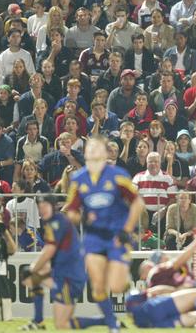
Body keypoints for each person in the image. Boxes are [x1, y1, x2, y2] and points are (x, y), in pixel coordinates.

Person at [64, 136, 146, 332]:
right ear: (84, 154)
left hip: (117, 235)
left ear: (105, 152)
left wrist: (127, 230)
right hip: (93, 237)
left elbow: (138, 203)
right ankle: (112, 326)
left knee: (116, 286)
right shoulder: (77, 179)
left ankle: (131, 293)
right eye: (89, 148)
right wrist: (79, 218)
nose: (92, 150)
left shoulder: (118, 175)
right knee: (98, 287)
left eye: (96, 147)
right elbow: (71, 210)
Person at [20, 195, 104, 330]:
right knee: (31, 278)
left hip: (69, 277)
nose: (42, 210)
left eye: (45, 206)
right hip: (65, 273)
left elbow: (49, 250)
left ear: (53, 207)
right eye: (39, 207)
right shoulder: (53, 222)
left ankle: (104, 321)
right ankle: (38, 321)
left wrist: (33, 267)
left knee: (62, 325)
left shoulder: (56, 223)